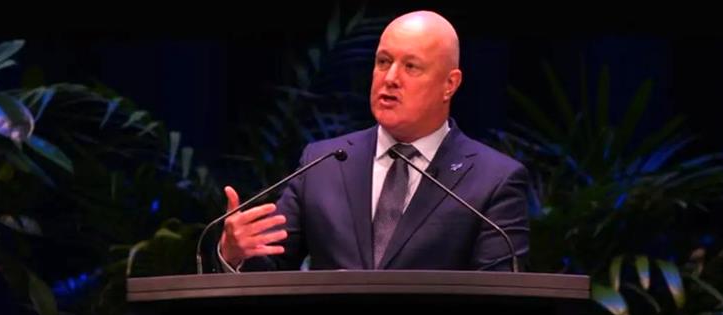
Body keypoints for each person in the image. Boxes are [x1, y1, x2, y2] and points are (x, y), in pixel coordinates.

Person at [216, 10, 531, 273]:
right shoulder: (322, 163)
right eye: (383, 62)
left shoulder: (494, 180)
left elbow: (498, 300)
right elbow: (270, 270)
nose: (390, 78)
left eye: (411, 66)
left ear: (449, 84)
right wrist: (235, 253)